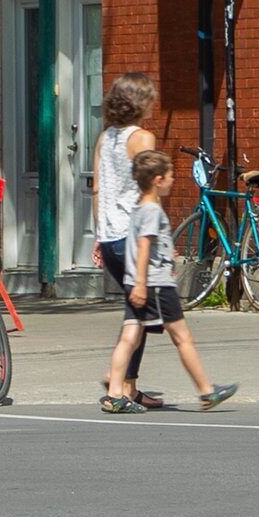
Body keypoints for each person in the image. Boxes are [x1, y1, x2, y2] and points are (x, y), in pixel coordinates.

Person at [102, 149, 236, 412]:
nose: (174, 180)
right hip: (155, 285)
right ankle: (206, 391)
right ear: (157, 180)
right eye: (171, 176)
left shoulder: (139, 208)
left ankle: (114, 394)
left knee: (129, 337)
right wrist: (142, 282)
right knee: (182, 337)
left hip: (137, 282)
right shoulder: (152, 210)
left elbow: (145, 246)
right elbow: (143, 247)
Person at [95, 73, 169, 410]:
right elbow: (149, 190)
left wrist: (98, 235)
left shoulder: (104, 138)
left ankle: (129, 384)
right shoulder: (142, 138)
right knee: (137, 315)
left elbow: (98, 189)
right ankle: (118, 387)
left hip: (110, 236)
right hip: (132, 235)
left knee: (138, 313)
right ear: (141, 102)